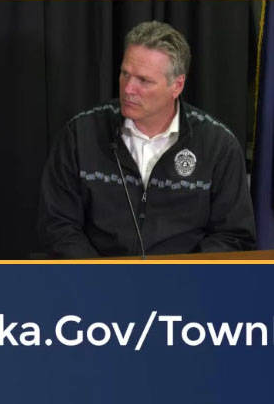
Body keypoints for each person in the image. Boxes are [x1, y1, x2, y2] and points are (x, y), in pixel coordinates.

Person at [38, 20, 256, 258]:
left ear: (177, 85)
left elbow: (233, 236)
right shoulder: (80, 134)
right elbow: (57, 226)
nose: (129, 88)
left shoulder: (218, 145)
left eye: (144, 80)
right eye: (125, 74)